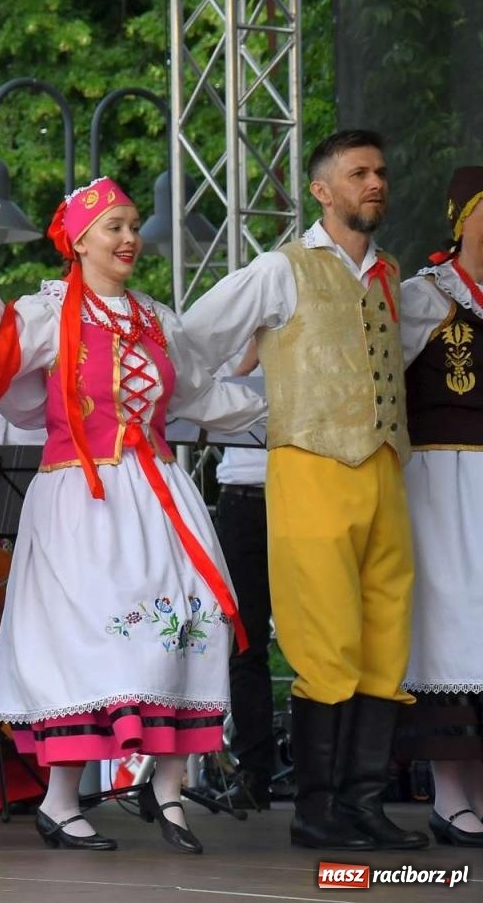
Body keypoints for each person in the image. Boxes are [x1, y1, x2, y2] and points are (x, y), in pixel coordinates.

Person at [0, 176, 264, 855]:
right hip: (81, 497)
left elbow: (197, 393)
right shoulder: (45, 315)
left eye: (134, 225)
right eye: (114, 227)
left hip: (159, 490)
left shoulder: (157, 318)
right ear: (77, 242)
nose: (131, 238)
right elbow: (1, 388)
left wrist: (284, 409)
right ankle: (59, 801)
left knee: (182, 624)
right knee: (88, 639)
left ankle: (167, 792)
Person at [182, 129, 426, 850]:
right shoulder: (281, 270)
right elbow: (192, 338)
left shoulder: (388, 274)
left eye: (380, 172)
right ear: (323, 191)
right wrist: (250, 411)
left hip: (384, 469)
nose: (374, 183)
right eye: (358, 174)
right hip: (312, 467)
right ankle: (316, 811)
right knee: (325, 642)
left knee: (386, 640)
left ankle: (362, 803)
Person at [394, 165, 483, 848]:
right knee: (450, 629)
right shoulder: (424, 299)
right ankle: (451, 798)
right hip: (442, 481)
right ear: (463, 220)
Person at [212, 348, 276, 811]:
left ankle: (322, 775)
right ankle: (254, 772)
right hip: (240, 499)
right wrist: (249, 356)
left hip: (302, 497)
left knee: (315, 637)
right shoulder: (228, 350)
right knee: (245, 640)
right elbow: (209, 404)